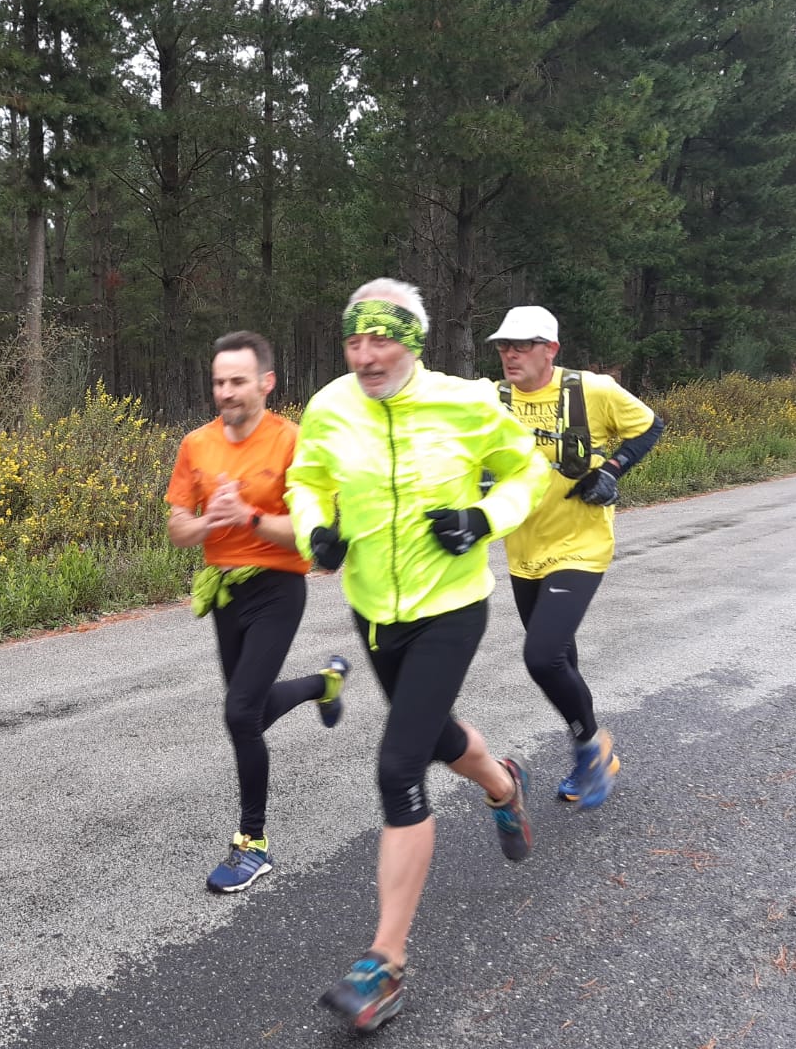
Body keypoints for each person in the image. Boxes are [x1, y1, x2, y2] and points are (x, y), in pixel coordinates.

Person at [286, 279, 553, 1031]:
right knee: (433, 736)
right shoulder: (329, 406)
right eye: (353, 340)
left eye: (380, 339)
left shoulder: (465, 402)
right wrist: (316, 530)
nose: (365, 355)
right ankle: (503, 785)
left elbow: (528, 471)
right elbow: (305, 482)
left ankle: (384, 965)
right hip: (376, 611)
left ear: (412, 340)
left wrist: (483, 516)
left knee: (399, 763)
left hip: (449, 609)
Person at [166, 330, 351, 894]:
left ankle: (252, 843)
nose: (226, 391)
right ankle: (325, 683)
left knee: (240, 713)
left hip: (277, 586)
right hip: (224, 589)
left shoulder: (293, 442)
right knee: (249, 709)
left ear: (266, 383)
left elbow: (307, 537)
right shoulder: (196, 445)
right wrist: (210, 523)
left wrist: (246, 516)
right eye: (219, 381)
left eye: (238, 381)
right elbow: (178, 528)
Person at [487, 304, 664, 809]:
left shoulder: (593, 390)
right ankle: (589, 758)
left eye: (521, 346)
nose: (509, 354)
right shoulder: (492, 399)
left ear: (551, 349)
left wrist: (611, 470)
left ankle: (590, 747)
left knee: (540, 656)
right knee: (560, 656)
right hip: (523, 548)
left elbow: (651, 427)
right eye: (503, 345)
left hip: (581, 546)